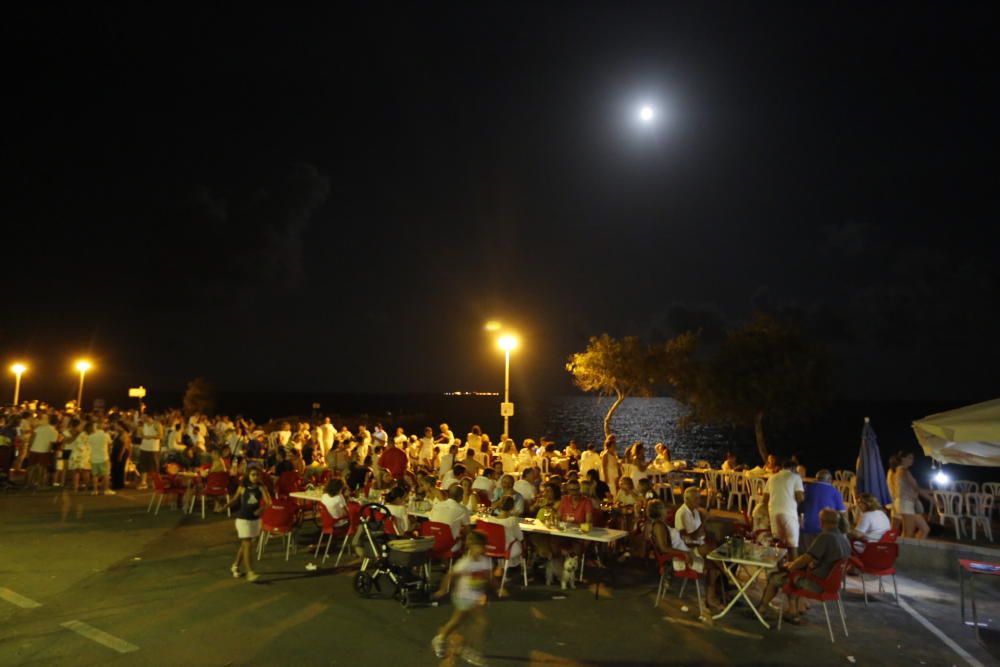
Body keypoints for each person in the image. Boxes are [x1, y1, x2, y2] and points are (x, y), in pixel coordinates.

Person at [757, 509, 851, 623]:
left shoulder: (826, 537)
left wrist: (791, 566)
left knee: (776, 577)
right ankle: (792, 611)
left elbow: (807, 558)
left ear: (822, 521)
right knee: (792, 575)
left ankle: (761, 610)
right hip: (832, 585)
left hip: (818, 585)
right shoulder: (844, 538)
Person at [431, 530, 493, 665]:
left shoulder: (486, 561)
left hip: (475, 597)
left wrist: (497, 587)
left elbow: (488, 576)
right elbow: (450, 575)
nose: (481, 550)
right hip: (463, 597)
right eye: (478, 546)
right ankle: (468, 649)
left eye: (483, 547)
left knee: (458, 622)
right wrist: (443, 589)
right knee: (480, 623)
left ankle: (441, 639)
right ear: (471, 546)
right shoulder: (465, 563)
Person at [224, 466, 271, 582]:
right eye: (253, 475)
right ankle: (250, 572)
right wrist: (224, 506)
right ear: (248, 475)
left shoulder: (261, 488)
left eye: (257, 475)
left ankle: (235, 566)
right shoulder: (243, 487)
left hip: (255, 520)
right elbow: (235, 499)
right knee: (247, 544)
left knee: (245, 545)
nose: (255, 477)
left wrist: (262, 509)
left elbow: (269, 502)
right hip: (242, 519)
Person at [762, 458, 805, 558]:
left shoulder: (772, 477)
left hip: (773, 511)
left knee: (778, 542)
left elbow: (765, 499)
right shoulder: (795, 477)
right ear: (794, 468)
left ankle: (778, 567)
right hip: (788, 512)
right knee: (793, 543)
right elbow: (800, 497)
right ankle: (793, 569)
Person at [887, 451, 932, 539]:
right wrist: (931, 498)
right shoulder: (902, 470)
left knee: (924, 529)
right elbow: (916, 488)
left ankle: (911, 548)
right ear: (902, 459)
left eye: (913, 458)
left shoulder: (895, 470)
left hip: (903, 503)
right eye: (910, 458)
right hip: (905, 503)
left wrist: (933, 493)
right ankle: (902, 550)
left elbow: (913, 488)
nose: (912, 460)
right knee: (908, 534)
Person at [800, 469, 847, 547]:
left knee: (809, 553)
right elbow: (842, 512)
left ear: (817, 478)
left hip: (807, 526)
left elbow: (800, 507)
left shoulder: (807, 489)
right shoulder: (835, 492)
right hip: (826, 529)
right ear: (829, 480)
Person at [429, 484, 471, 551]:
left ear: (448, 495)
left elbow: (432, 522)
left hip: (432, 541)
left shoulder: (437, 505)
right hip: (449, 545)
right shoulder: (462, 509)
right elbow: (468, 530)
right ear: (461, 497)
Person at [26, 414, 59, 489]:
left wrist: (29, 447)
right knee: (42, 467)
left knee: (31, 467)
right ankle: (40, 483)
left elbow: (32, 438)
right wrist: (51, 452)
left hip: (33, 449)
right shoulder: (54, 431)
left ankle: (29, 483)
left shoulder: (39, 428)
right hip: (44, 450)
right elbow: (52, 443)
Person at [137, 414, 164, 490]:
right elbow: (140, 435)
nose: (142, 419)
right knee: (143, 466)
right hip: (144, 447)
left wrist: (150, 437)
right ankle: (143, 482)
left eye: (143, 417)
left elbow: (161, 436)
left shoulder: (157, 425)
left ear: (149, 417)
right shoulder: (143, 425)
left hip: (153, 448)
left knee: (154, 467)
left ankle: (154, 482)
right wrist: (141, 434)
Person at [89, 420, 113, 495]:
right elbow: (110, 444)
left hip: (93, 457)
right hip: (104, 457)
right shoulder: (106, 435)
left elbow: (89, 445)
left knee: (95, 475)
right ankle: (106, 490)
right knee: (106, 474)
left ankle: (95, 490)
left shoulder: (91, 436)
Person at [110, 422, 132, 490]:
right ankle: (115, 483)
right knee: (114, 468)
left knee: (119, 469)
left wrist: (121, 455)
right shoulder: (118, 433)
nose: (116, 427)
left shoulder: (124, 434)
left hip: (120, 453)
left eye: (117, 426)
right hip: (116, 452)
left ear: (121, 426)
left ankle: (119, 485)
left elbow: (124, 446)